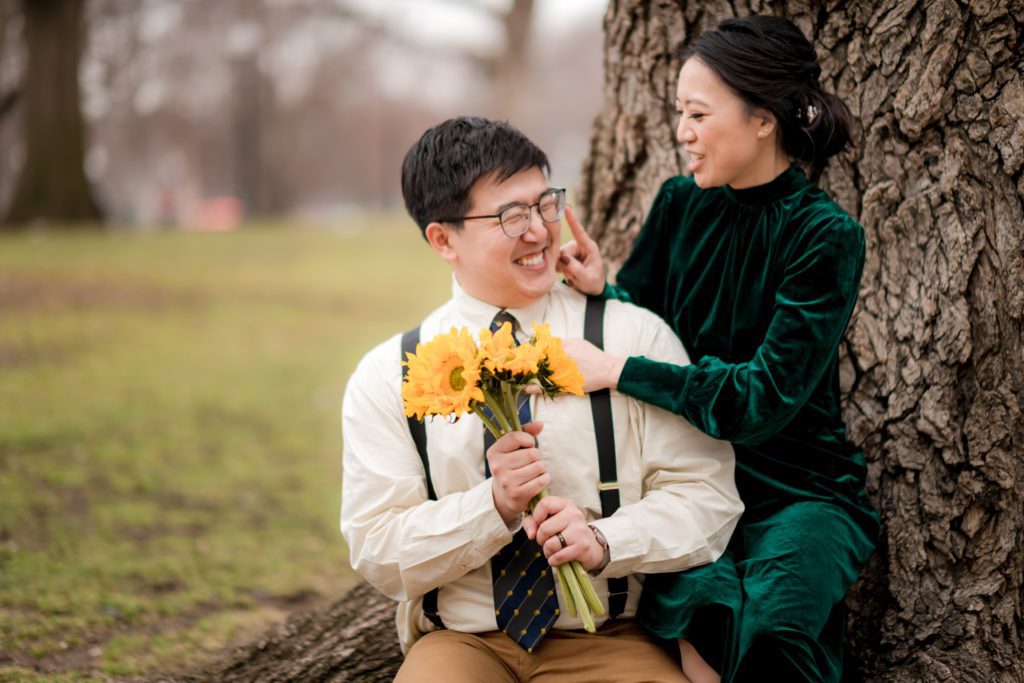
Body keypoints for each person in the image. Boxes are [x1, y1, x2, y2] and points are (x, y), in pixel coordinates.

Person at [341, 116, 744, 682]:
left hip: (610, 639)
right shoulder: (391, 372)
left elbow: (708, 497)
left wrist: (605, 540)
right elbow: (377, 548)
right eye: (510, 216)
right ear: (443, 239)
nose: (538, 231)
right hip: (462, 645)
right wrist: (494, 506)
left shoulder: (631, 339)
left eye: (545, 204)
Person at [556, 15, 880, 683]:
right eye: (680, 113)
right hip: (690, 480)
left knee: (775, 630)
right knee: (701, 607)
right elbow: (644, 326)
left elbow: (759, 401)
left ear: (764, 119)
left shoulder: (825, 236)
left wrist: (618, 369)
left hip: (800, 491)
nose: (682, 133)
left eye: (698, 114)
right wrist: (603, 290)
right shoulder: (679, 204)